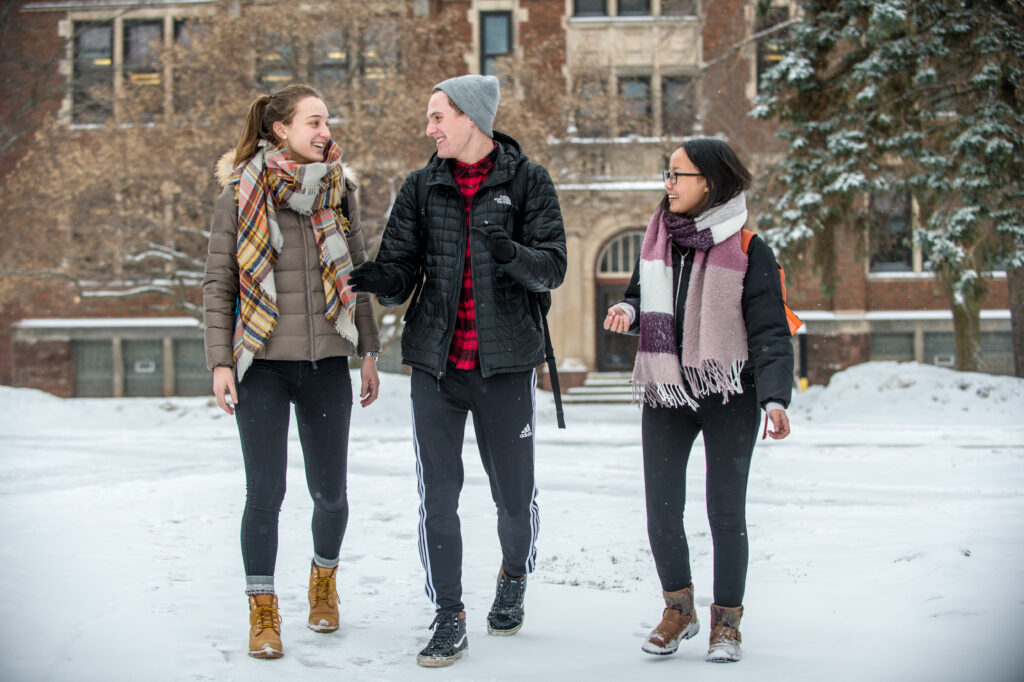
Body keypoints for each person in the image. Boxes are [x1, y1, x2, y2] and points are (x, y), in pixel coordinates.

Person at [347, 74, 566, 668]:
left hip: (506, 366)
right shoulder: (421, 186)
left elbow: (551, 270)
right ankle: (449, 613)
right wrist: (379, 280)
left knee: (513, 497)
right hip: (437, 368)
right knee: (438, 496)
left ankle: (513, 575)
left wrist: (509, 252)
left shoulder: (527, 181)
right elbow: (400, 272)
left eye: (438, 115)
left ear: (471, 117)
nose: (430, 128)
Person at [202, 83, 381, 659]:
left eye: (327, 121)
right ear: (281, 129)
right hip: (263, 366)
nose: (325, 131)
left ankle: (323, 583)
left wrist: (369, 350)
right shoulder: (240, 192)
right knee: (266, 493)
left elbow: (356, 273)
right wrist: (220, 362)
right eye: (314, 121)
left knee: (330, 493)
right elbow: (218, 282)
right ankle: (263, 609)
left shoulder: (338, 190)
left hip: (327, 359)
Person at [603, 138, 793, 664]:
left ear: (708, 181)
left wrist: (775, 398)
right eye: (667, 173)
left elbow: (770, 330)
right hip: (666, 389)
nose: (668, 182)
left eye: (677, 174)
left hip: (728, 390)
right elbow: (642, 296)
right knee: (660, 508)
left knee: (725, 511)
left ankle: (726, 623)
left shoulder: (750, 248)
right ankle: (678, 608)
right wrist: (628, 310)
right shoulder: (659, 239)